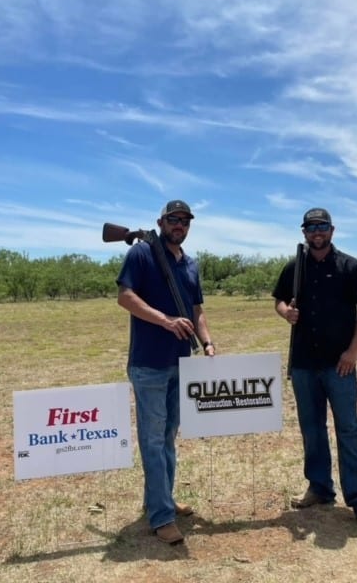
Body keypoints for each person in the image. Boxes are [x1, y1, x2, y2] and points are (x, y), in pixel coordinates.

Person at [272, 207, 357, 534]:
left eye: (322, 227)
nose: (316, 233)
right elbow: (279, 300)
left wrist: (353, 352)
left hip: (340, 365)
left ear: (332, 231)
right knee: (312, 428)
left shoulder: (350, 266)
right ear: (304, 232)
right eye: (310, 228)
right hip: (304, 364)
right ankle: (319, 488)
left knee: (348, 429)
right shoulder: (295, 266)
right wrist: (285, 313)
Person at [116, 200, 215, 545]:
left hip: (180, 363)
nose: (179, 225)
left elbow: (197, 309)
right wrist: (165, 320)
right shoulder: (141, 254)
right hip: (148, 364)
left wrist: (208, 343)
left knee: (168, 437)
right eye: (173, 219)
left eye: (185, 220)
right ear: (161, 221)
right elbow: (125, 297)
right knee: (153, 440)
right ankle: (161, 517)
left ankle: (162, 499)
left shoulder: (189, 264)